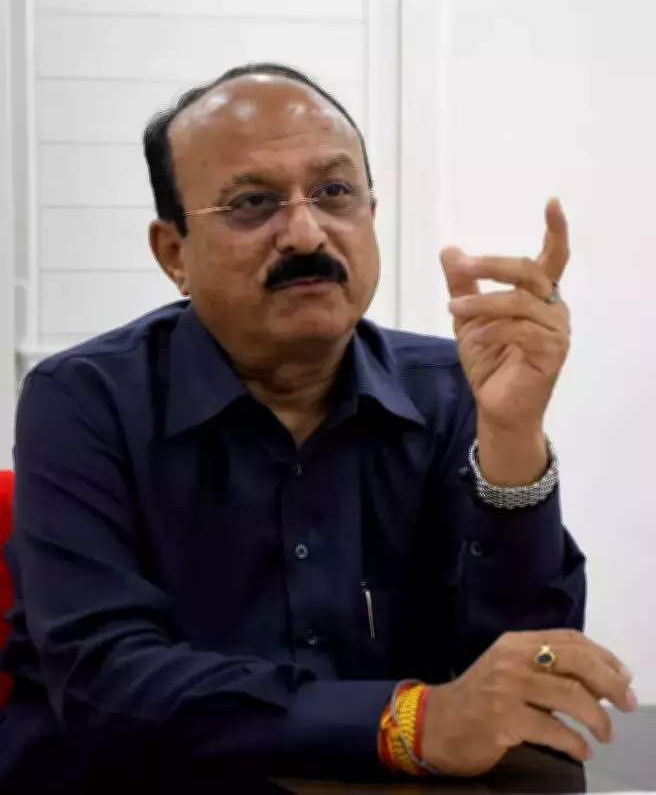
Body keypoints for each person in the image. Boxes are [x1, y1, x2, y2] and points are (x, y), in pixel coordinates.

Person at [0, 63, 636, 791]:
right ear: (174, 252)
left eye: (335, 193)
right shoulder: (83, 400)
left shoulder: (451, 387)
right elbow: (106, 684)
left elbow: (516, 670)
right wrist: (408, 722)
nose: (305, 232)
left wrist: (514, 439)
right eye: (252, 203)